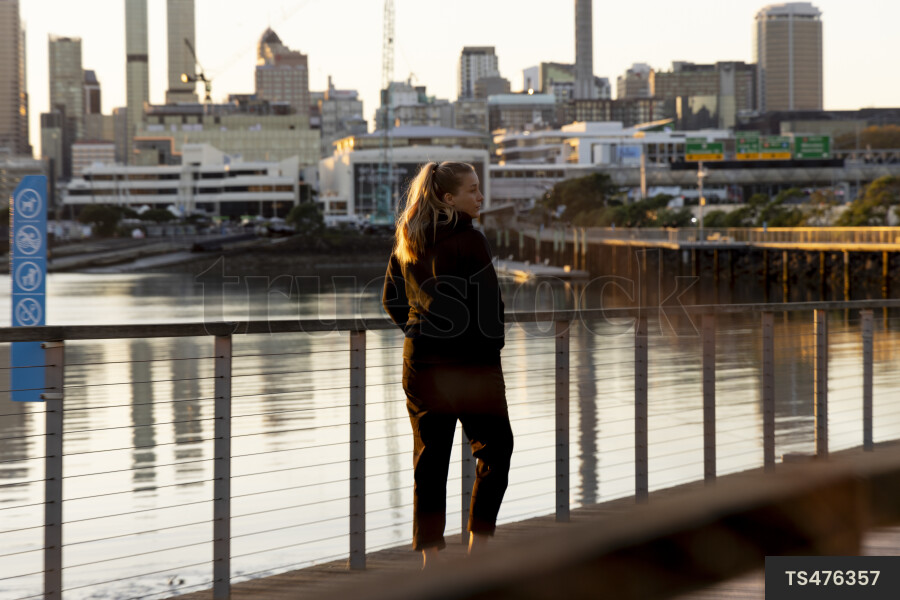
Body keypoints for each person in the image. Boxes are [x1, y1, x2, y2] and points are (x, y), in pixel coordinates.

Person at [382, 161, 513, 569]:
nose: (480, 197)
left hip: (420, 362)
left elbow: (392, 299)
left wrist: (422, 330)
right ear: (448, 198)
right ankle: (479, 553)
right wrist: (490, 354)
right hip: (471, 363)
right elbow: (489, 308)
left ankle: (432, 563)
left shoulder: (408, 238)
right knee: (496, 450)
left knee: (430, 457)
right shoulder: (470, 240)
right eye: (472, 190)